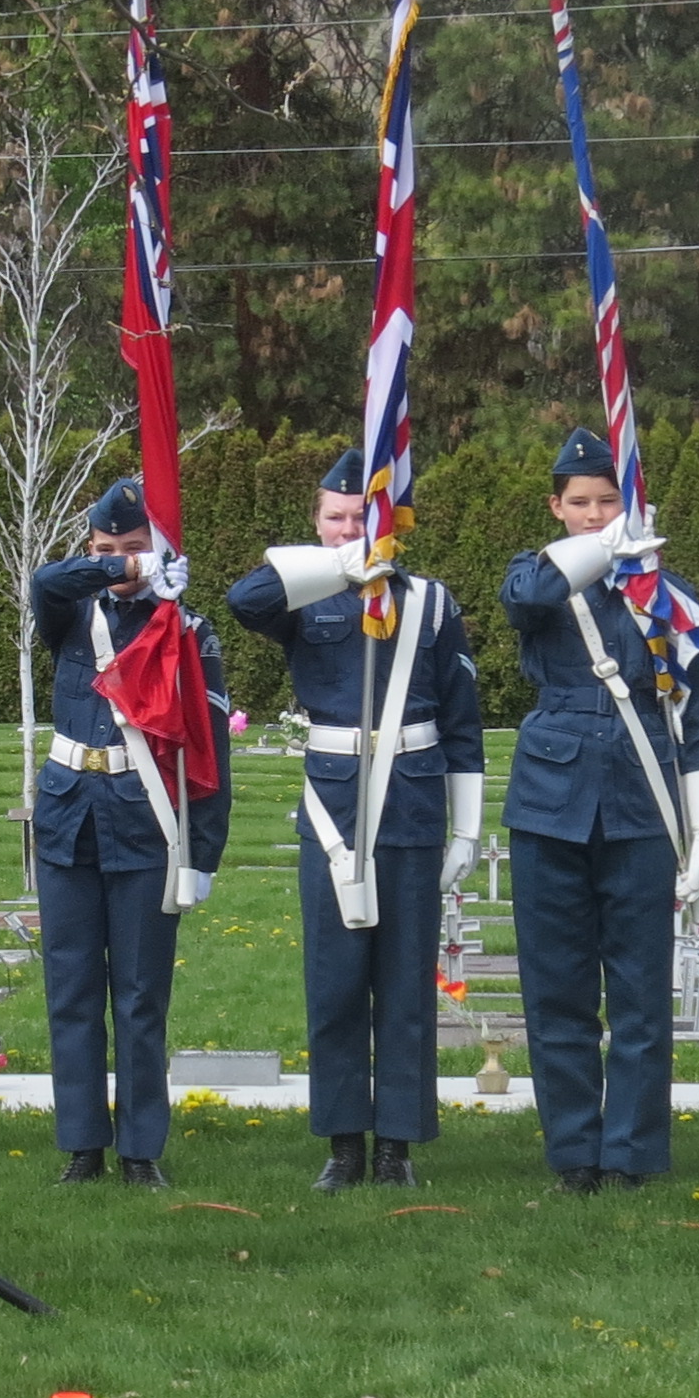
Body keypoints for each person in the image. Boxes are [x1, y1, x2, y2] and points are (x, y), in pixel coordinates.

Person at [228, 451, 486, 1191]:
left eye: (362, 519)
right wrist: (337, 567)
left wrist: (465, 827)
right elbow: (244, 600)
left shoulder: (432, 605)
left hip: (410, 801)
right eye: (335, 517)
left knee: (405, 983)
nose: (349, 529)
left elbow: (463, 725)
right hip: (335, 807)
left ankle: (396, 1146)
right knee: (336, 981)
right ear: (315, 525)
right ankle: (343, 1143)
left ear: (393, 525)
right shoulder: (309, 598)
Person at [499, 429, 699, 1193]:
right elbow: (528, 601)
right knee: (556, 990)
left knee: (637, 992)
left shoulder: (667, 594)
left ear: (633, 504)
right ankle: (574, 1153)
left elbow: (698, 719)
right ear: (557, 508)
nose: (595, 516)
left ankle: (630, 1153)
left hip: (640, 800)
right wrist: (606, 550)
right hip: (549, 805)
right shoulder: (536, 573)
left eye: (609, 503)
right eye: (581, 504)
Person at [31, 477, 231, 1187]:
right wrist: (121, 569)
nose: (117, 560)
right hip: (67, 820)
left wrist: (203, 851)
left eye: (134, 546)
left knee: (142, 995)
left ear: (162, 548)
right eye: (103, 548)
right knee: (72, 989)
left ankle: (141, 1148)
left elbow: (211, 750)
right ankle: (83, 1144)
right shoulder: (70, 611)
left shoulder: (187, 630)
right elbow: (44, 581)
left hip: (146, 822)